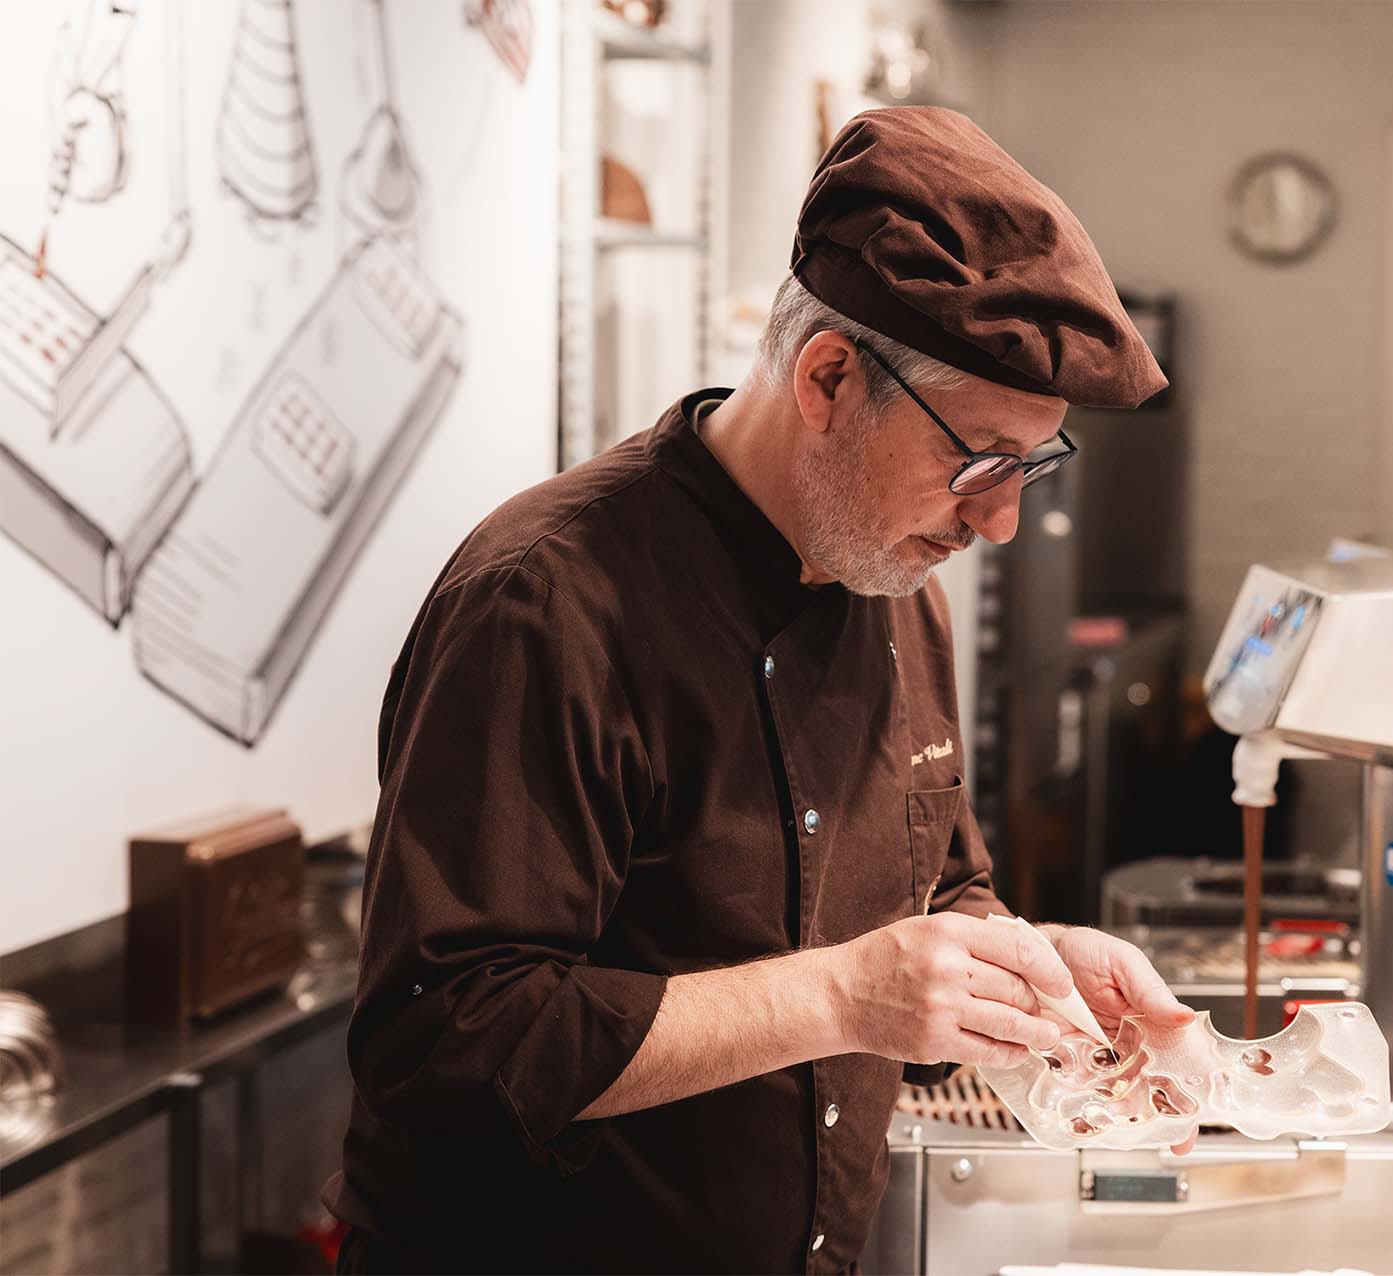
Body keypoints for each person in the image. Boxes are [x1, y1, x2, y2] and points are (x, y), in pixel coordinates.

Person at [323, 106, 1183, 1274]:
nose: (1001, 520)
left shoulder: (895, 592)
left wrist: (1023, 972)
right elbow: (448, 1041)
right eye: (977, 461)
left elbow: (942, 889)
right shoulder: (549, 602)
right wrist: (843, 996)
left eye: (1031, 465)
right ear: (828, 376)